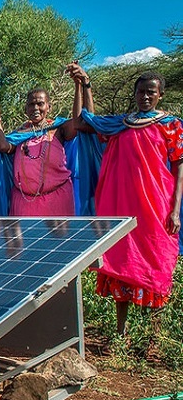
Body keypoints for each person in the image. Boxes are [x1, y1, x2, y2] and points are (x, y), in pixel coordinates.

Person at [78, 71, 183, 339]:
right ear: (134, 94)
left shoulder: (170, 125)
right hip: (121, 204)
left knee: (157, 261)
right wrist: (86, 84)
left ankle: (155, 335)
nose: (145, 96)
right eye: (141, 92)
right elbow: (92, 122)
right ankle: (121, 331)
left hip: (155, 205)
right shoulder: (121, 125)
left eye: (151, 91)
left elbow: (179, 169)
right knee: (123, 262)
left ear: (160, 94)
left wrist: (175, 209)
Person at [0, 63, 90, 216]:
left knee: (59, 240)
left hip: (57, 201)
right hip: (24, 202)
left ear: (49, 107)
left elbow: (79, 123)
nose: (35, 108)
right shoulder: (20, 134)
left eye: (40, 103)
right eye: (31, 104)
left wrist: (79, 86)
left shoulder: (58, 129)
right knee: (25, 240)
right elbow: (2, 146)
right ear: (25, 109)